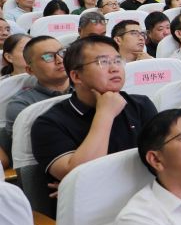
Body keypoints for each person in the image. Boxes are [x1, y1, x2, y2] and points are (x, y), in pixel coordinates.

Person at [30, 35, 158, 181]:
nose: (115, 68)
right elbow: (81, 178)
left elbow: (163, 160)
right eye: (103, 62)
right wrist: (105, 114)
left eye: (117, 61)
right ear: (76, 76)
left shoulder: (141, 104)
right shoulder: (49, 124)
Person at [6, 36, 71, 128]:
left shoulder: (86, 87)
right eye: (48, 56)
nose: (60, 60)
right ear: (30, 70)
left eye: (62, 52)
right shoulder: (22, 105)